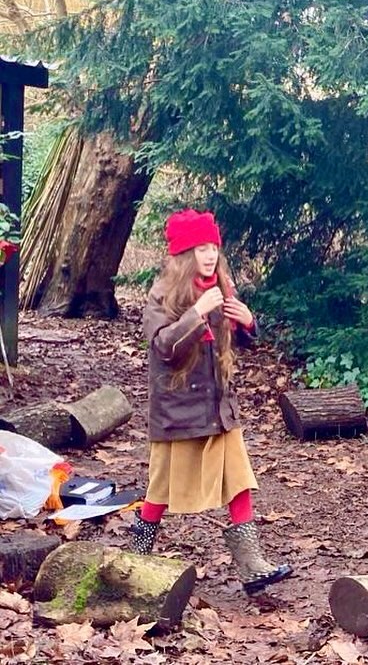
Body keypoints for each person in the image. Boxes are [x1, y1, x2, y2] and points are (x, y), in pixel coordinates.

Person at [131, 208, 291, 596]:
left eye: (214, 247)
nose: (209, 255)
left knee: (239, 481)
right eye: (201, 248)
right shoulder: (162, 294)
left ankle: (252, 567)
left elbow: (241, 341)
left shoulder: (223, 288)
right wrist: (196, 314)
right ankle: (134, 562)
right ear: (185, 254)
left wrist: (249, 323)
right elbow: (162, 346)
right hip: (177, 412)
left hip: (219, 409)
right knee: (159, 492)